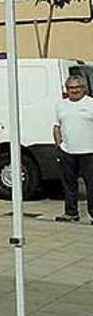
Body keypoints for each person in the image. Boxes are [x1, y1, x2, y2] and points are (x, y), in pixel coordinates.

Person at [54, 75, 93, 223]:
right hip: (68, 151)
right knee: (69, 184)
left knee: (91, 186)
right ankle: (71, 213)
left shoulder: (91, 103)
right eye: (71, 88)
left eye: (77, 87)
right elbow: (57, 126)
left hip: (89, 152)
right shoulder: (61, 105)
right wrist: (59, 145)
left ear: (83, 89)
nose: (74, 91)